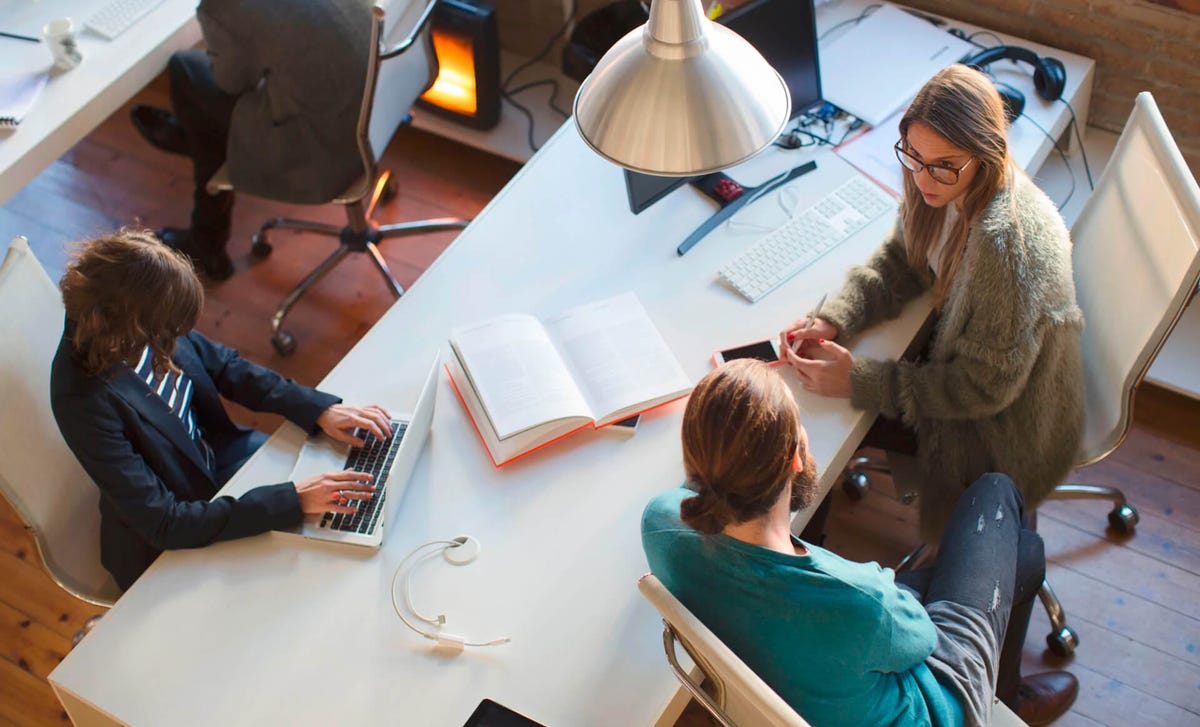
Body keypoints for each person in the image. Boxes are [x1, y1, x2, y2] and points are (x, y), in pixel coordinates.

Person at [642, 360, 1079, 726]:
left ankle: (1011, 691)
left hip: (805, 665)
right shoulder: (861, 601)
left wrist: (725, 425)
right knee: (997, 495)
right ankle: (1003, 700)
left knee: (1026, 555)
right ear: (795, 457)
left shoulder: (660, 527)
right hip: (939, 704)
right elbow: (920, 638)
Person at [777, 64, 1084, 543]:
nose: (923, 176)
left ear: (986, 154)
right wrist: (836, 317)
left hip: (1005, 428)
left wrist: (857, 380)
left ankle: (809, 574)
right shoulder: (938, 187)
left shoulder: (1006, 246)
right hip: (978, 374)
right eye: (913, 156)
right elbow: (903, 261)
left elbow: (982, 389)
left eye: (943, 163)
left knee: (808, 440)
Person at [51, 229, 391, 591]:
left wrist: (316, 408)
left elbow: (226, 368)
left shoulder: (143, 312)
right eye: (166, 332)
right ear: (129, 326)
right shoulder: (82, 399)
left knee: (345, 537)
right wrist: (291, 500)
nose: (176, 338)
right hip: (175, 532)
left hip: (219, 464)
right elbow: (164, 522)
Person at [130, 0, 373, 281]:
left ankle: (206, 237)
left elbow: (230, 81)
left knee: (184, 69)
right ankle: (194, 143)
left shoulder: (221, 8)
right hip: (367, 120)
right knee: (211, 103)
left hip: (318, 155)